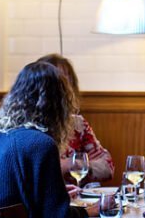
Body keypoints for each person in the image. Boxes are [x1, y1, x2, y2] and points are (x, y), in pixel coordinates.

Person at [0, 61, 83, 218]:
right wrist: (90, 211)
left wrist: (56, 192)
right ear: (59, 105)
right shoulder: (41, 144)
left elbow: (18, 196)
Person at [36, 53, 114, 185]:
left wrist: (72, 164)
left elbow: (108, 167)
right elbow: (36, 174)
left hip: (78, 199)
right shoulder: (28, 127)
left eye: (68, 81)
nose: (65, 88)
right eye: (58, 81)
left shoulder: (77, 123)